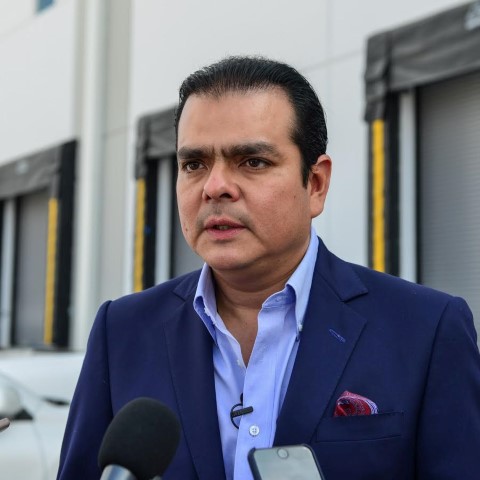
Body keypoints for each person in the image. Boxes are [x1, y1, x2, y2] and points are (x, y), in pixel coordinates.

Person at [57, 56, 480, 480]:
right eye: (194, 164)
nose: (215, 187)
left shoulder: (425, 330)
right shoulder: (123, 332)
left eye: (253, 161)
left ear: (315, 184)